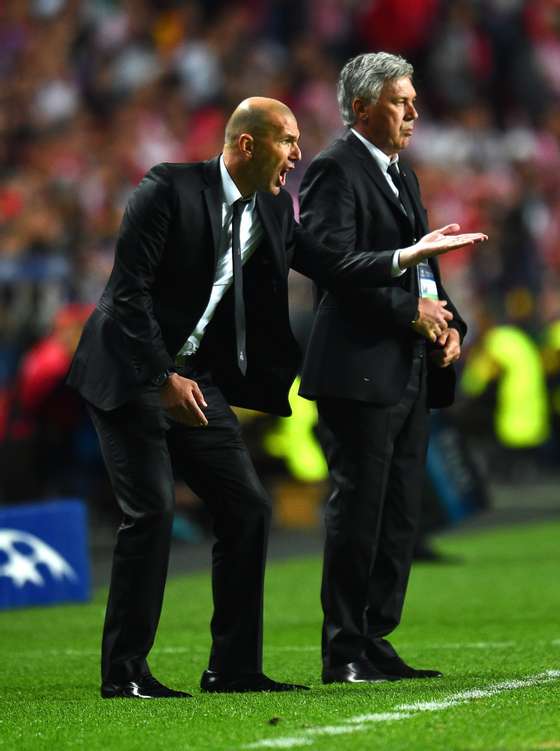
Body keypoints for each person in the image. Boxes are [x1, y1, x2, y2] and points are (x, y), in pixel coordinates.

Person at [68, 96, 486, 699]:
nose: (296, 154)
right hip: (132, 371)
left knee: (247, 509)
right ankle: (125, 671)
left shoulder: (271, 208)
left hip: (194, 378)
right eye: (288, 141)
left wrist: (407, 255)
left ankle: (232, 668)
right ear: (247, 145)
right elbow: (127, 293)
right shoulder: (168, 189)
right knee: (153, 511)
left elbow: (331, 262)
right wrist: (161, 378)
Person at [298, 53, 484, 684]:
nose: (414, 111)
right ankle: (343, 649)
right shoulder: (333, 170)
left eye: (412, 99)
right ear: (361, 108)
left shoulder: (400, 175)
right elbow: (331, 264)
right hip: (359, 369)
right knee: (360, 509)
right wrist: (412, 314)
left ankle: (375, 638)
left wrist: (448, 323)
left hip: (405, 368)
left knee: (400, 511)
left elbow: (423, 270)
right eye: (401, 101)